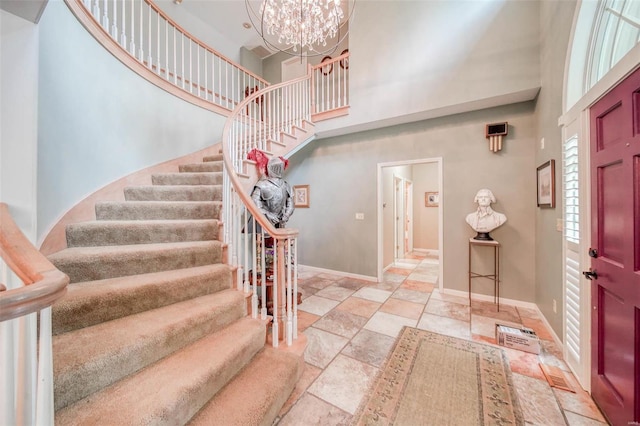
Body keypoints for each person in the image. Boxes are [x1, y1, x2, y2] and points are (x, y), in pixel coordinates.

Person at [250, 156, 294, 228]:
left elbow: (291, 204)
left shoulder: (286, 185)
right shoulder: (262, 185)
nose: (278, 169)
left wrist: (286, 215)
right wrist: (268, 215)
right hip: (264, 223)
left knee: (279, 237)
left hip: (280, 222)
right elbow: (254, 204)